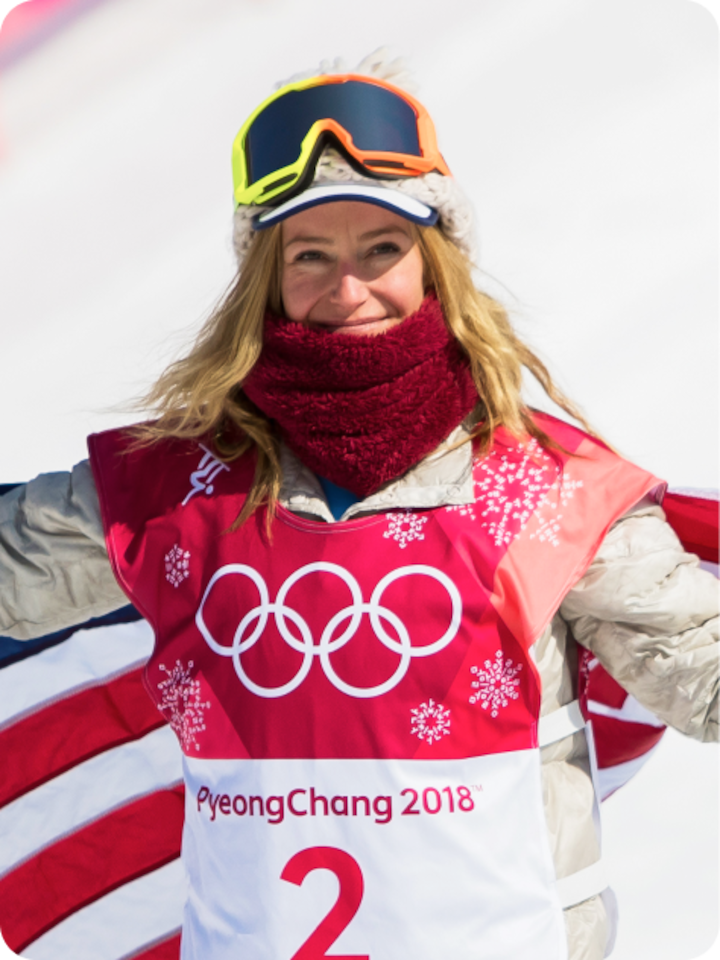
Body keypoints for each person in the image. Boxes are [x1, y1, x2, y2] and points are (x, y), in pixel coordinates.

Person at [1, 53, 719, 960]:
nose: (350, 291)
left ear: (437, 264)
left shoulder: (547, 488)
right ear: (265, 275)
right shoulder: (174, 484)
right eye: (310, 255)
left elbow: (704, 666)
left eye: (383, 249)